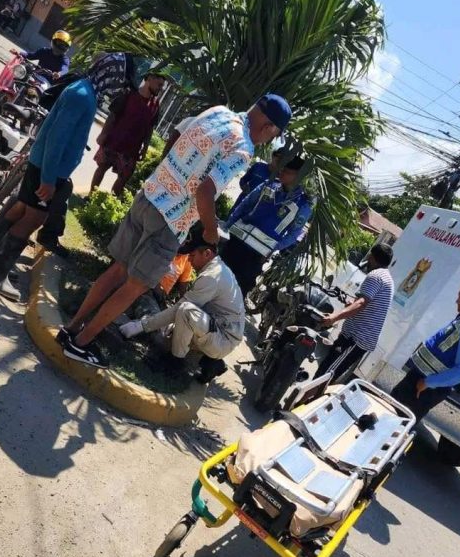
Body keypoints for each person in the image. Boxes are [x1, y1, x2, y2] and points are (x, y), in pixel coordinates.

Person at [57, 93, 292, 368]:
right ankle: (81, 343)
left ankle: (71, 330)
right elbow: (205, 191)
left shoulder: (218, 111)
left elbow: (177, 137)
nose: (270, 140)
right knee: (134, 286)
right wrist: (210, 231)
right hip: (171, 219)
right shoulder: (243, 148)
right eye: (274, 134)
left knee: (118, 269)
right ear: (269, 127)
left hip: (150, 195)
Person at [0, 52, 127, 301]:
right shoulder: (82, 96)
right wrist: (48, 179)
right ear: (106, 74)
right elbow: (57, 139)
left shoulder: (85, 91)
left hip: (45, 164)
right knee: (34, 217)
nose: (116, 85)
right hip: (48, 168)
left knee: (21, 209)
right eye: (116, 78)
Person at [119, 222, 245, 383]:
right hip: (217, 329)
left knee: (186, 311)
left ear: (207, 253)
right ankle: (210, 363)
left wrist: (141, 326)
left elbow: (181, 309)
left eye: (192, 255)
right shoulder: (216, 269)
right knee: (172, 331)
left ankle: (174, 364)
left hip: (223, 338)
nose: (189, 260)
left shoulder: (212, 277)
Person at [389, 278, 460, 422]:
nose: (457, 301)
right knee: (388, 411)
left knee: (396, 421)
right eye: (459, 296)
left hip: (426, 387)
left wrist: (429, 382)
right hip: (419, 378)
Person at [221, 150, 313, 296]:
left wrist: (273, 248)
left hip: (256, 255)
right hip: (235, 241)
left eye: (287, 171)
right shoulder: (269, 185)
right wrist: (227, 226)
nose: (281, 172)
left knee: (236, 292)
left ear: (298, 177)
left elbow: (293, 234)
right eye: (282, 168)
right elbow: (245, 204)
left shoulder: (303, 205)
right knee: (216, 275)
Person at [316, 243, 395, 378]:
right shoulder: (386, 277)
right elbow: (365, 302)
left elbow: (361, 303)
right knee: (326, 371)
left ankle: (311, 393)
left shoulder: (376, 276)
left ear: (373, 258)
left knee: (326, 375)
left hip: (356, 338)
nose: (368, 259)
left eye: (370, 256)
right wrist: (352, 303)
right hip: (355, 336)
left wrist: (334, 317)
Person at [89, 70, 166, 197]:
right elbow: (113, 115)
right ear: (150, 78)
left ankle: (108, 201)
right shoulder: (128, 94)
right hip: (114, 141)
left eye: (162, 86)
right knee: (102, 167)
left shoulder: (155, 105)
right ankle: (90, 197)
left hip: (132, 149)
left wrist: (145, 147)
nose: (161, 88)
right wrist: (103, 134)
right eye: (159, 85)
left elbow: (150, 128)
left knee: (124, 177)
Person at [229, 146, 285, 211]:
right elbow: (243, 180)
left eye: (282, 159)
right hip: (239, 206)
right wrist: (244, 187)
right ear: (273, 156)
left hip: (256, 212)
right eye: (278, 157)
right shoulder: (258, 166)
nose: (279, 160)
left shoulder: (281, 181)